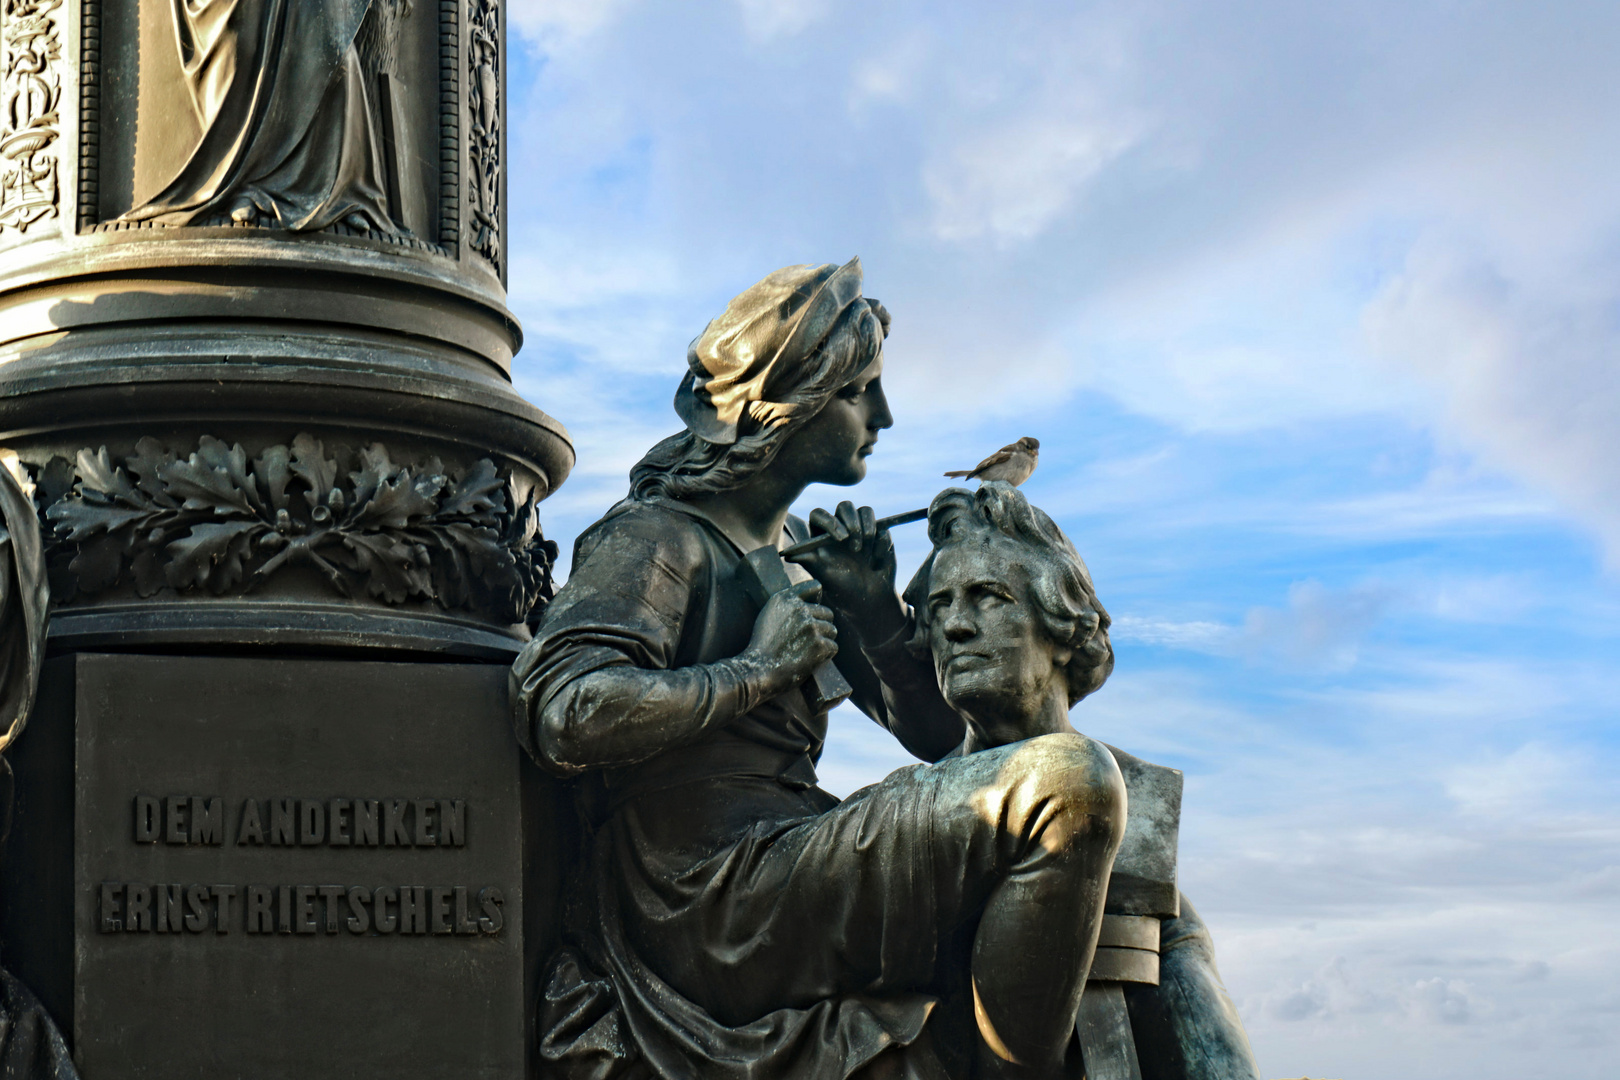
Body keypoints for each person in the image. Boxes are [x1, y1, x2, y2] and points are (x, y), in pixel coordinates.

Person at [514, 259, 1126, 1079]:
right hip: (705, 898)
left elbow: (952, 744)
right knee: (1068, 784)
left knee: (1130, 876)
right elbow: (566, 713)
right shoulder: (659, 538)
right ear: (788, 404)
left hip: (784, 858)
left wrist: (874, 614)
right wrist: (756, 670)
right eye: (858, 391)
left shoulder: (799, 555)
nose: (883, 414)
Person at [903, 482, 1262, 1080]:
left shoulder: (1138, 826)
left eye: (986, 597)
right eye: (939, 607)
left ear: (1063, 629)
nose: (956, 627)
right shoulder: (902, 822)